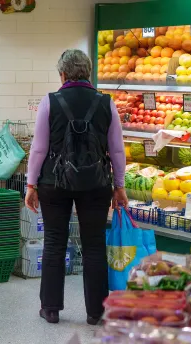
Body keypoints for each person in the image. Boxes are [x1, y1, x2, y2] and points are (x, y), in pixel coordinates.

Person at [24, 49, 127, 325]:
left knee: (55, 242)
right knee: (94, 245)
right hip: (96, 183)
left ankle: (51, 308)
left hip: (54, 182)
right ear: (89, 73)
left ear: (63, 74)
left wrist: (30, 184)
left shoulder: (50, 101)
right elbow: (117, 150)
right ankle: (96, 312)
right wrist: (120, 186)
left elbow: (39, 149)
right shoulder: (106, 103)